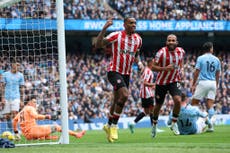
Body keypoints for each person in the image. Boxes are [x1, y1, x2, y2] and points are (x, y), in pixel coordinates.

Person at [95, 17, 142, 142]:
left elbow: (136, 53)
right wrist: (104, 28)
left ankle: (108, 125)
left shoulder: (138, 39)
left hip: (127, 74)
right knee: (125, 95)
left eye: (135, 23)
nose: (134, 25)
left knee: (116, 101)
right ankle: (115, 126)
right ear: (124, 24)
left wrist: (140, 63)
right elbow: (98, 44)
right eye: (131, 23)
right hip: (114, 71)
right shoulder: (117, 35)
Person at [151, 34, 185, 138]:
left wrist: (182, 70)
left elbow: (181, 62)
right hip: (161, 82)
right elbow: (153, 67)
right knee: (158, 105)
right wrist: (165, 68)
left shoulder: (181, 51)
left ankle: (174, 123)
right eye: (169, 40)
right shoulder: (161, 53)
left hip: (175, 81)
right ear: (166, 42)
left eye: (173, 40)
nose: (171, 42)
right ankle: (154, 126)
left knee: (178, 100)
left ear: (176, 42)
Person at [13, 97, 86, 140]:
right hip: (33, 131)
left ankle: (46, 137)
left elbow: (14, 121)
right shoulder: (30, 108)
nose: (35, 104)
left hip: (27, 135)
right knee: (57, 127)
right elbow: (36, 116)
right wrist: (48, 117)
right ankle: (76, 134)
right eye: (34, 102)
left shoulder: (21, 111)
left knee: (43, 130)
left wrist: (16, 132)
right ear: (29, 102)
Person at [191, 42, 221, 132]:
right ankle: (211, 126)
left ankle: (196, 123)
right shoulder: (216, 59)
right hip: (212, 83)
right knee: (210, 105)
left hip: (203, 82)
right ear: (211, 49)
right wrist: (217, 83)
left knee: (194, 103)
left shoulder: (200, 58)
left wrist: (193, 84)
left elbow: (196, 71)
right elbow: (218, 73)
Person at [128, 59, 156, 133]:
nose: (155, 64)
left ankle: (132, 123)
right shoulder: (148, 71)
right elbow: (145, 83)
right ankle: (153, 128)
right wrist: (154, 85)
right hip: (147, 93)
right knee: (152, 110)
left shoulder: (146, 70)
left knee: (146, 111)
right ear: (150, 63)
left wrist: (152, 86)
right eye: (153, 63)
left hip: (144, 92)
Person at [0, 60, 25, 131]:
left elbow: (22, 88)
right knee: (7, 115)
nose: (18, 67)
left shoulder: (21, 75)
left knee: (15, 113)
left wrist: (22, 100)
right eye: (17, 65)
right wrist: (2, 98)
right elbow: (2, 87)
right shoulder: (5, 74)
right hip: (7, 97)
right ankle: (10, 130)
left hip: (16, 97)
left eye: (19, 65)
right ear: (12, 65)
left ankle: (15, 130)